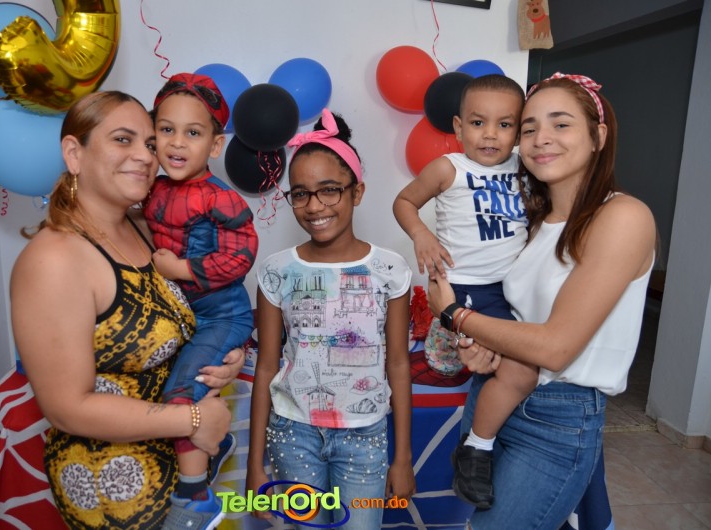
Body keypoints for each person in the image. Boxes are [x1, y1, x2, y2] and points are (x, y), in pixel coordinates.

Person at [428, 73, 656, 529]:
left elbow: (554, 347)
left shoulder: (623, 216)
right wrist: (480, 349)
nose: (540, 138)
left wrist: (454, 315)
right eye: (528, 128)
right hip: (495, 399)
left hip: (556, 418)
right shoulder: (531, 223)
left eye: (561, 124)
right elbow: (516, 320)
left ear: (598, 136)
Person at [10, 90, 245, 530]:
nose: (146, 156)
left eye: (151, 143)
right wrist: (193, 418)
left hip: (183, 481)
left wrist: (225, 358)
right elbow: (67, 407)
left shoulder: (145, 229)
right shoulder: (53, 260)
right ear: (74, 153)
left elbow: (186, 318)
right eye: (123, 139)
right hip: (118, 497)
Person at [246, 109, 416, 529]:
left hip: (364, 437)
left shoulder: (389, 270)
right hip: (293, 433)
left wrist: (403, 457)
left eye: (329, 191)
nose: (314, 206)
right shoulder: (277, 270)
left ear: (357, 192)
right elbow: (266, 366)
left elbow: (398, 363)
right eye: (301, 194)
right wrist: (255, 465)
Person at [393, 74, 534, 508]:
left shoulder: (525, 168)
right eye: (477, 123)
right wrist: (421, 235)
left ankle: (480, 444)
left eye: (504, 125)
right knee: (504, 367)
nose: (490, 134)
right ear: (458, 127)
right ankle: (477, 448)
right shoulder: (448, 168)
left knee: (518, 369)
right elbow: (404, 201)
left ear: (520, 130)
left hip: (512, 290)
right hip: (466, 288)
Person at [142, 73, 257, 526]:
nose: (177, 142)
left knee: (182, 393)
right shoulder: (152, 187)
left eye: (192, 133)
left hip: (221, 318)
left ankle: (194, 498)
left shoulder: (219, 197)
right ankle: (217, 444)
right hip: (182, 317)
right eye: (166, 129)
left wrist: (181, 270)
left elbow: (241, 255)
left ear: (214, 145)